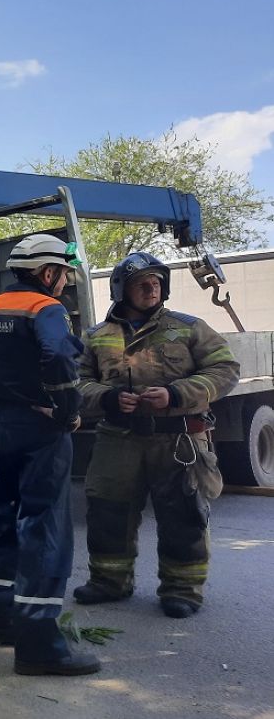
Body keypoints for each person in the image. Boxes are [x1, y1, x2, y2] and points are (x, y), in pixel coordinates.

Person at [0, 234, 100, 676]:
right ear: (47, 273)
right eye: (63, 274)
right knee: (45, 529)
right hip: (40, 430)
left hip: (2, 429)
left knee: (6, 522)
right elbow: (59, 357)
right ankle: (39, 646)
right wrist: (67, 411)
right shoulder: (47, 309)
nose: (65, 282)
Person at [73, 252, 239, 618]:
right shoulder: (97, 336)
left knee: (183, 514)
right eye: (141, 284)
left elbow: (225, 371)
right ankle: (109, 581)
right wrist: (109, 398)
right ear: (122, 290)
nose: (151, 289)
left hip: (178, 441)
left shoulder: (190, 327)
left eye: (156, 283)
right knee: (107, 511)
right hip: (118, 439)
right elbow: (76, 384)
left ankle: (182, 590)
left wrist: (177, 394)